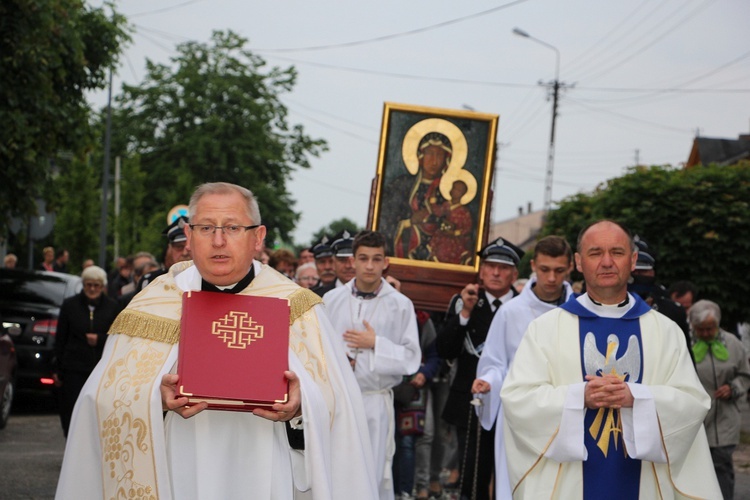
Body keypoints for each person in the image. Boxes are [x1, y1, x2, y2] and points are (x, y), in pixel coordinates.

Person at [57, 182, 377, 499]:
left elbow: (339, 405)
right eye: (206, 228)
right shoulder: (152, 303)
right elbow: (102, 397)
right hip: (178, 462)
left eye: (233, 227)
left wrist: (300, 405)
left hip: (265, 463)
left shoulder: (298, 306)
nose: (219, 240)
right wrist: (155, 396)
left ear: (258, 237)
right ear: (189, 235)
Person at [501, 220, 721, 499]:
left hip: (644, 481)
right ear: (579, 262)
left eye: (616, 252)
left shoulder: (664, 331)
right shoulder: (545, 329)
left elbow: (692, 402)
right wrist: (579, 396)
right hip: (571, 482)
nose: (606, 262)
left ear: (633, 260)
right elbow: (518, 399)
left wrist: (636, 397)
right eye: (595, 253)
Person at [472, 235, 574, 499]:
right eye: (545, 270)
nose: (551, 278)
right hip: (520, 414)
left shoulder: (580, 312)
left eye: (559, 270)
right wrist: (488, 381)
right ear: (533, 267)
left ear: (571, 268)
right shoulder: (511, 312)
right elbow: (495, 361)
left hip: (565, 413)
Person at [324, 230, 421, 500]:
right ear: (352, 261)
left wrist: (375, 343)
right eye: (363, 258)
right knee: (337, 470)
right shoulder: (332, 301)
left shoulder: (400, 305)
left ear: (385, 262)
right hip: (339, 402)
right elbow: (317, 349)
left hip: (374, 403)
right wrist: (338, 359)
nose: (369, 266)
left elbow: (411, 358)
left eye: (376, 259)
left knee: (371, 472)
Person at [436, 236, 523, 500]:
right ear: (481, 270)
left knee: (512, 471)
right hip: (473, 402)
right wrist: (464, 314)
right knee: (473, 473)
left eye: (504, 267)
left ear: (514, 273)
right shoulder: (465, 300)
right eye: (490, 266)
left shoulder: (523, 305)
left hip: (514, 400)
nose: (496, 273)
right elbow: (444, 350)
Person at [690, 299, 750, 500]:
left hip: (725, 418)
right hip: (695, 420)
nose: (706, 333)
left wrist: (733, 388)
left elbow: (745, 375)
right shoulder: (685, 344)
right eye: (701, 329)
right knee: (694, 469)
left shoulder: (733, 344)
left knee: (722, 467)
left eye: (710, 328)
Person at [52, 265, 119, 437]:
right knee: (71, 410)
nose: (92, 289)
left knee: (97, 412)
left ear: (102, 286)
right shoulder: (70, 305)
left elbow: (118, 337)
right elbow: (61, 338)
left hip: (101, 369)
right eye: (88, 285)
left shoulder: (112, 307)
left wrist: (99, 339)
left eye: (96, 285)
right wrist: (57, 368)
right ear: (83, 285)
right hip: (73, 367)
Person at [383, 132, 451, 260]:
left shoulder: (450, 190)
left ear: (446, 160)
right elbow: (387, 220)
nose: (434, 161)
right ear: (420, 156)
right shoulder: (401, 185)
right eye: (430, 153)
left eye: (439, 155)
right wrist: (409, 221)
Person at [428, 179, 474, 265]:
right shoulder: (446, 205)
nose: (454, 191)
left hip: (455, 241)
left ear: (463, 194)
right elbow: (437, 211)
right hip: (441, 237)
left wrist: (454, 233)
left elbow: (468, 228)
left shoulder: (464, 211)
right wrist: (433, 196)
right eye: (454, 188)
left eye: (458, 190)